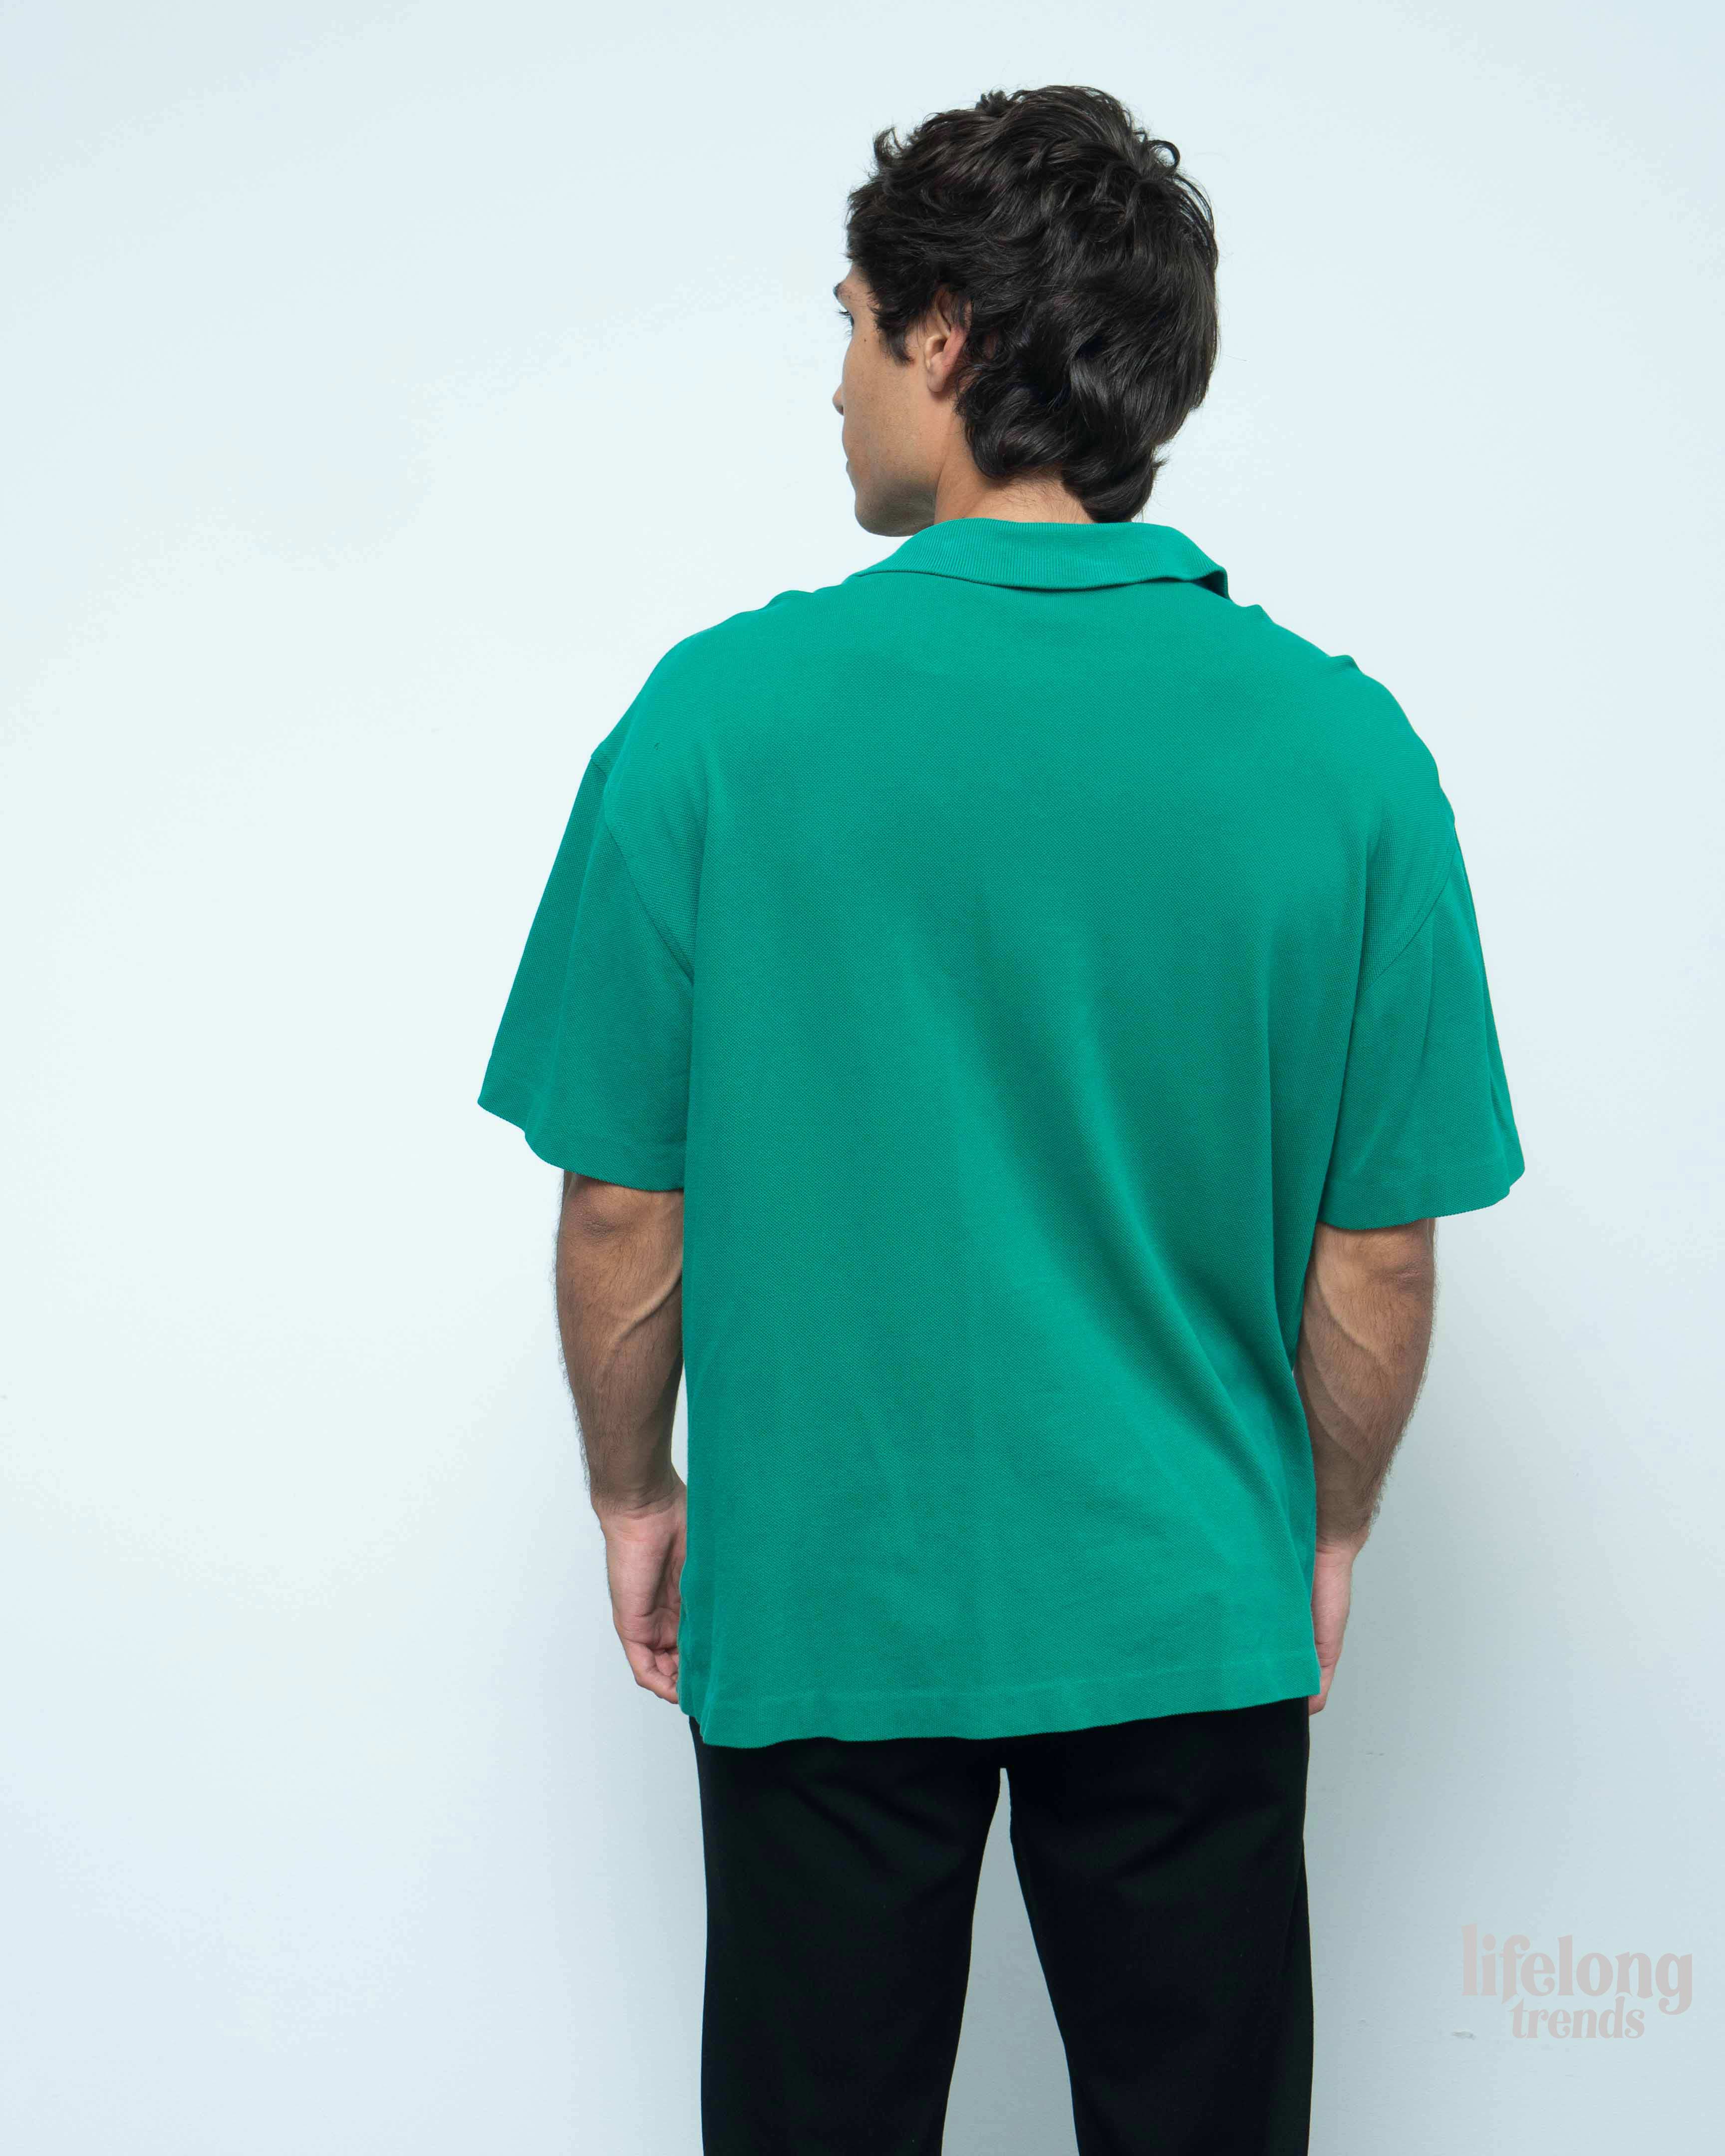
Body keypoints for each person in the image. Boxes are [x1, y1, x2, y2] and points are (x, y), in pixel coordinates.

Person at [479, 82, 1522, 2156]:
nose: (837, 384)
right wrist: (1321, 1532)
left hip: (826, 1602)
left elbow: (621, 1209)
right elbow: (1379, 1254)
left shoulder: (716, 724)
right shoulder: (1344, 752)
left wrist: (631, 1492)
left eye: (853, 327)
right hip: (1186, 1600)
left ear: (944, 339)